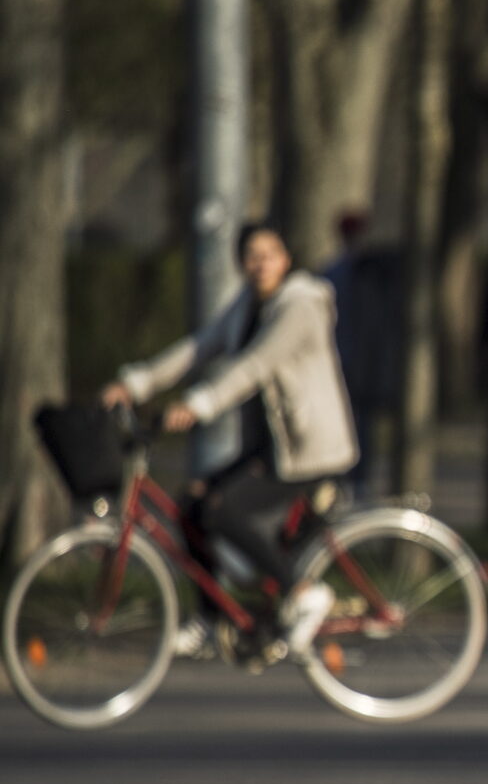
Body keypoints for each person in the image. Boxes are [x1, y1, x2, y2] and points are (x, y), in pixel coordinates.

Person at [99, 220, 359, 661]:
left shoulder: (301, 305)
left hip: (310, 451)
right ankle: (211, 620)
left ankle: (304, 593)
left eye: (269, 255)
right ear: (242, 263)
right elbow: (199, 348)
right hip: (273, 449)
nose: (260, 265)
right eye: (252, 256)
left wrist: (198, 405)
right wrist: (138, 383)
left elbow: (255, 365)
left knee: (224, 511)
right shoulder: (247, 305)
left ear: (286, 259)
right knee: (194, 506)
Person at [320, 211, 401, 499]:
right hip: (344, 361)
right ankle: (346, 482)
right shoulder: (336, 273)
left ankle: (358, 482)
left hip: (362, 364)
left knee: (361, 427)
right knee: (347, 425)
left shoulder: (370, 272)